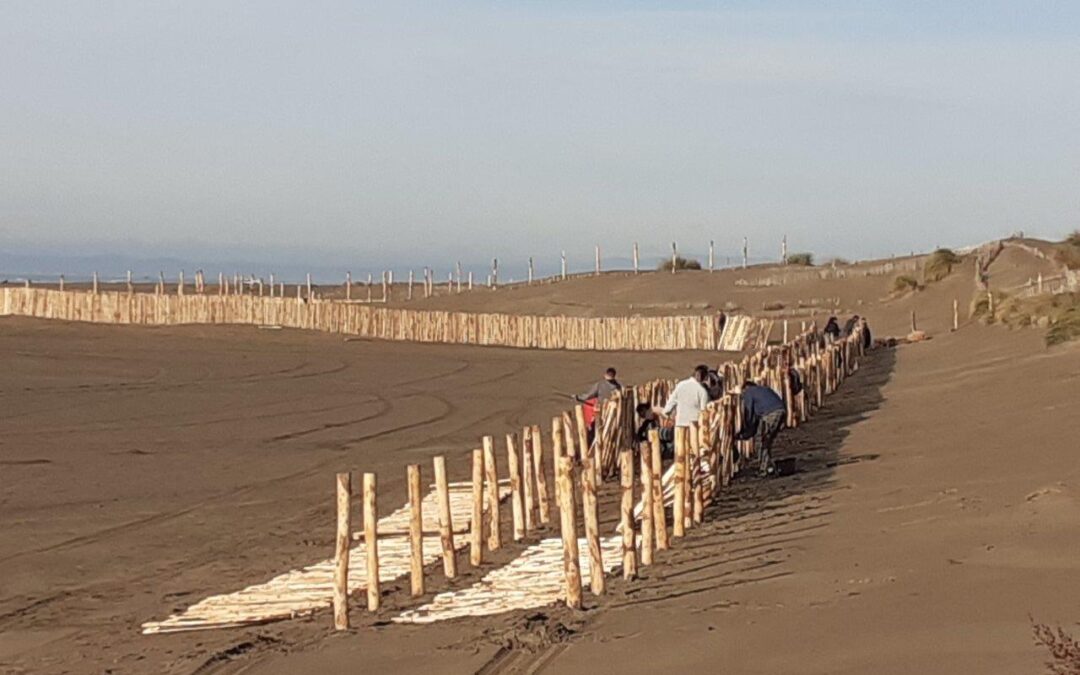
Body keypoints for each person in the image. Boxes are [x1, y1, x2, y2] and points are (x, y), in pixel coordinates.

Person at [736, 380, 786, 477]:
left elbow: (749, 414)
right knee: (767, 440)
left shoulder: (749, 392)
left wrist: (744, 430)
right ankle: (768, 466)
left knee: (761, 441)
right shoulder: (763, 390)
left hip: (770, 414)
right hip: (781, 411)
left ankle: (764, 469)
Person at [663, 365, 711, 429]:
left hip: (680, 425)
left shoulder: (680, 385)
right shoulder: (702, 391)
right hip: (694, 427)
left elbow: (668, 408)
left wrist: (669, 416)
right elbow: (703, 413)